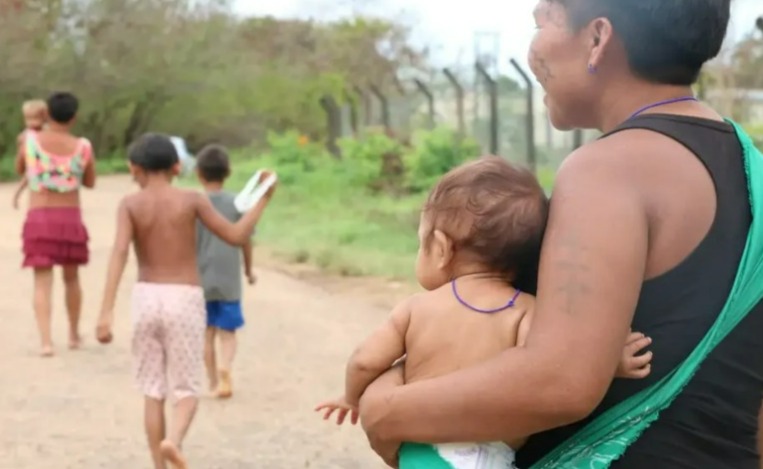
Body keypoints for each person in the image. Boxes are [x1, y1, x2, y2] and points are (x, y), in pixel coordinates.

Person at [357, 1, 763, 468]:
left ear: (597, 38)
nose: (534, 48)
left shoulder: (608, 169)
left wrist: (384, 409)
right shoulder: (752, 174)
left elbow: (560, 382)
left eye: (541, 22)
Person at [316, 157, 654, 468]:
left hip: (423, 448)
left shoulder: (416, 309)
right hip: (491, 456)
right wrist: (610, 363)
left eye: (421, 244)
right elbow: (558, 366)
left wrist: (351, 396)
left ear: (442, 249)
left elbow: (365, 360)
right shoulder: (526, 312)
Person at [94, 133, 276, 469]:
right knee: (186, 389)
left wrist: (105, 312)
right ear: (177, 167)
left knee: (152, 389)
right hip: (185, 298)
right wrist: (263, 199)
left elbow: (119, 252)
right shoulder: (192, 199)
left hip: (146, 296)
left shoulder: (130, 205)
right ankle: (173, 441)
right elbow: (236, 236)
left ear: (134, 168)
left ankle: (158, 464)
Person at [15, 92, 95, 357]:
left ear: (46, 113)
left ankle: (46, 342)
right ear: (75, 117)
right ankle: (73, 334)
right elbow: (90, 181)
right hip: (70, 217)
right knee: (72, 278)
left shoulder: (30, 141)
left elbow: (20, 169)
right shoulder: (83, 146)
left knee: (42, 281)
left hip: (39, 216)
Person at [194, 144, 258, 399]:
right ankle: (225, 368)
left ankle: (211, 380)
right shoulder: (236, 204)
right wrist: (249, 270)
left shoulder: (194, 204)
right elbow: (245, 240)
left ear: (199, 173)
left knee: (206, 332)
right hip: (229, 277)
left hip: (200, 278)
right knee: (227, 332)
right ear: (228, 172)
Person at [13, 99, 48, 210]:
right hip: (32, 164)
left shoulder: (47, 131)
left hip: (47, 164)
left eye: (36, 118)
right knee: (26, 179)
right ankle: (16, 196)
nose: (33, 122)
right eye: (29, 119)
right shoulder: (25, 135)